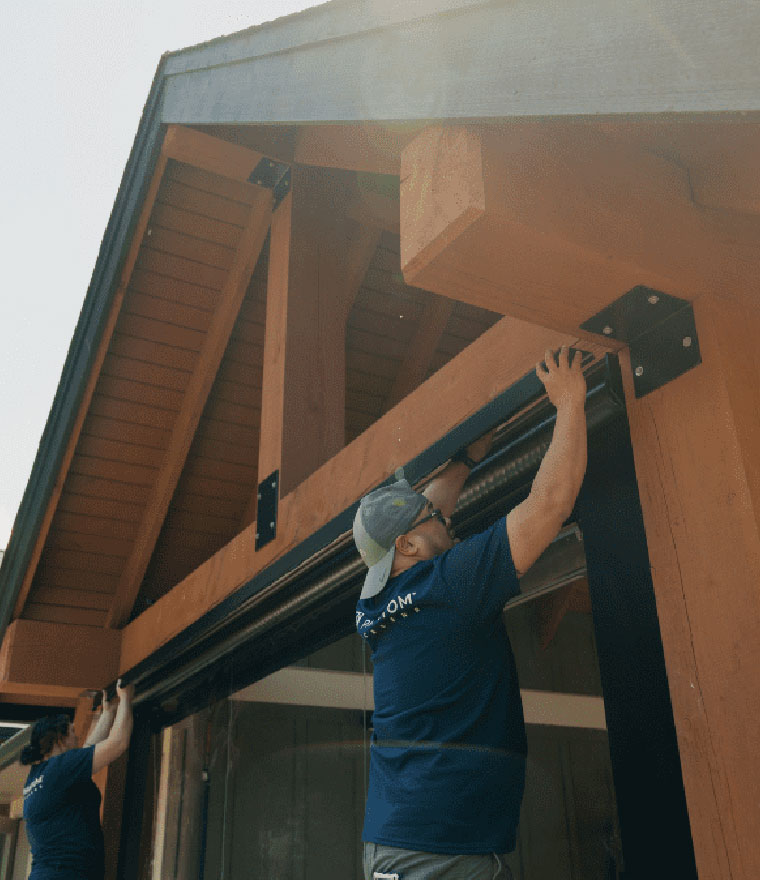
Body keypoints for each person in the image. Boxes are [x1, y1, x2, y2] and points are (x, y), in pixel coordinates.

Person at [355, 346, 588, 880]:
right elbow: (551, 503)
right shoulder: (453, 585)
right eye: (433, 516)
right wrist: (571, 401)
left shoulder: (373, 606)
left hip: (399, 844)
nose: (445, 516)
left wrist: (464, 462)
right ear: (409, 547)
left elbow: (425, 516)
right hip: (439, 853)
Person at [21, 679, 134, 880]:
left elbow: (86, 752)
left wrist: (107, 714)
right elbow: (118, 743)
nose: (77, 737)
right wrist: (126, 697)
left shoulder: (38, 776)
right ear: (59, 740)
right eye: (72, 733)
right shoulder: (58, 770)